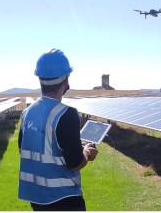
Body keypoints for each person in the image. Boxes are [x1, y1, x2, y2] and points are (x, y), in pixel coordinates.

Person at [18, 49, 98, 211]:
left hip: (36, 198)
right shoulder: (67, 114)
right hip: (64, 199)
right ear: (66, 80)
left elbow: (23, 149)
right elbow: (75, 163)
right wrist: (87, 152)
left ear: (39, 79)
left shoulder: (27, 112)